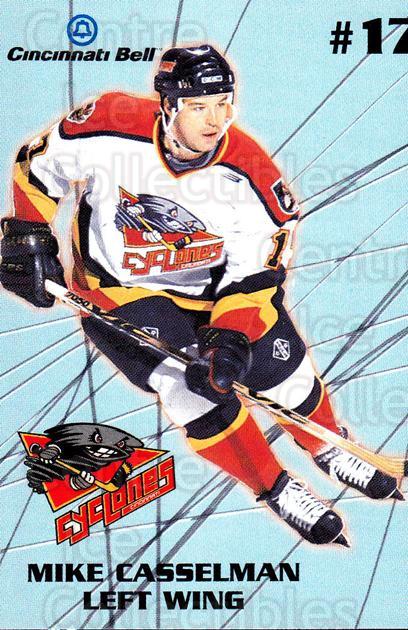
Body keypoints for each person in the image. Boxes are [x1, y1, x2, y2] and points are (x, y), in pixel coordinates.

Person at [0, 45, 401, 547]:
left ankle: (328, 447)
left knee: (284, 371)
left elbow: (253, 275)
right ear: (168, 105)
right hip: (120, 290)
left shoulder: (252, 175)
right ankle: (276, 487)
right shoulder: (110, 122)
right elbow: (37, 167)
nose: (215, 120)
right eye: (199, 106)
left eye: (223, 104)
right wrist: (27, 234)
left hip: (218, 292)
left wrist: (230, 338)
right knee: (188, 388)